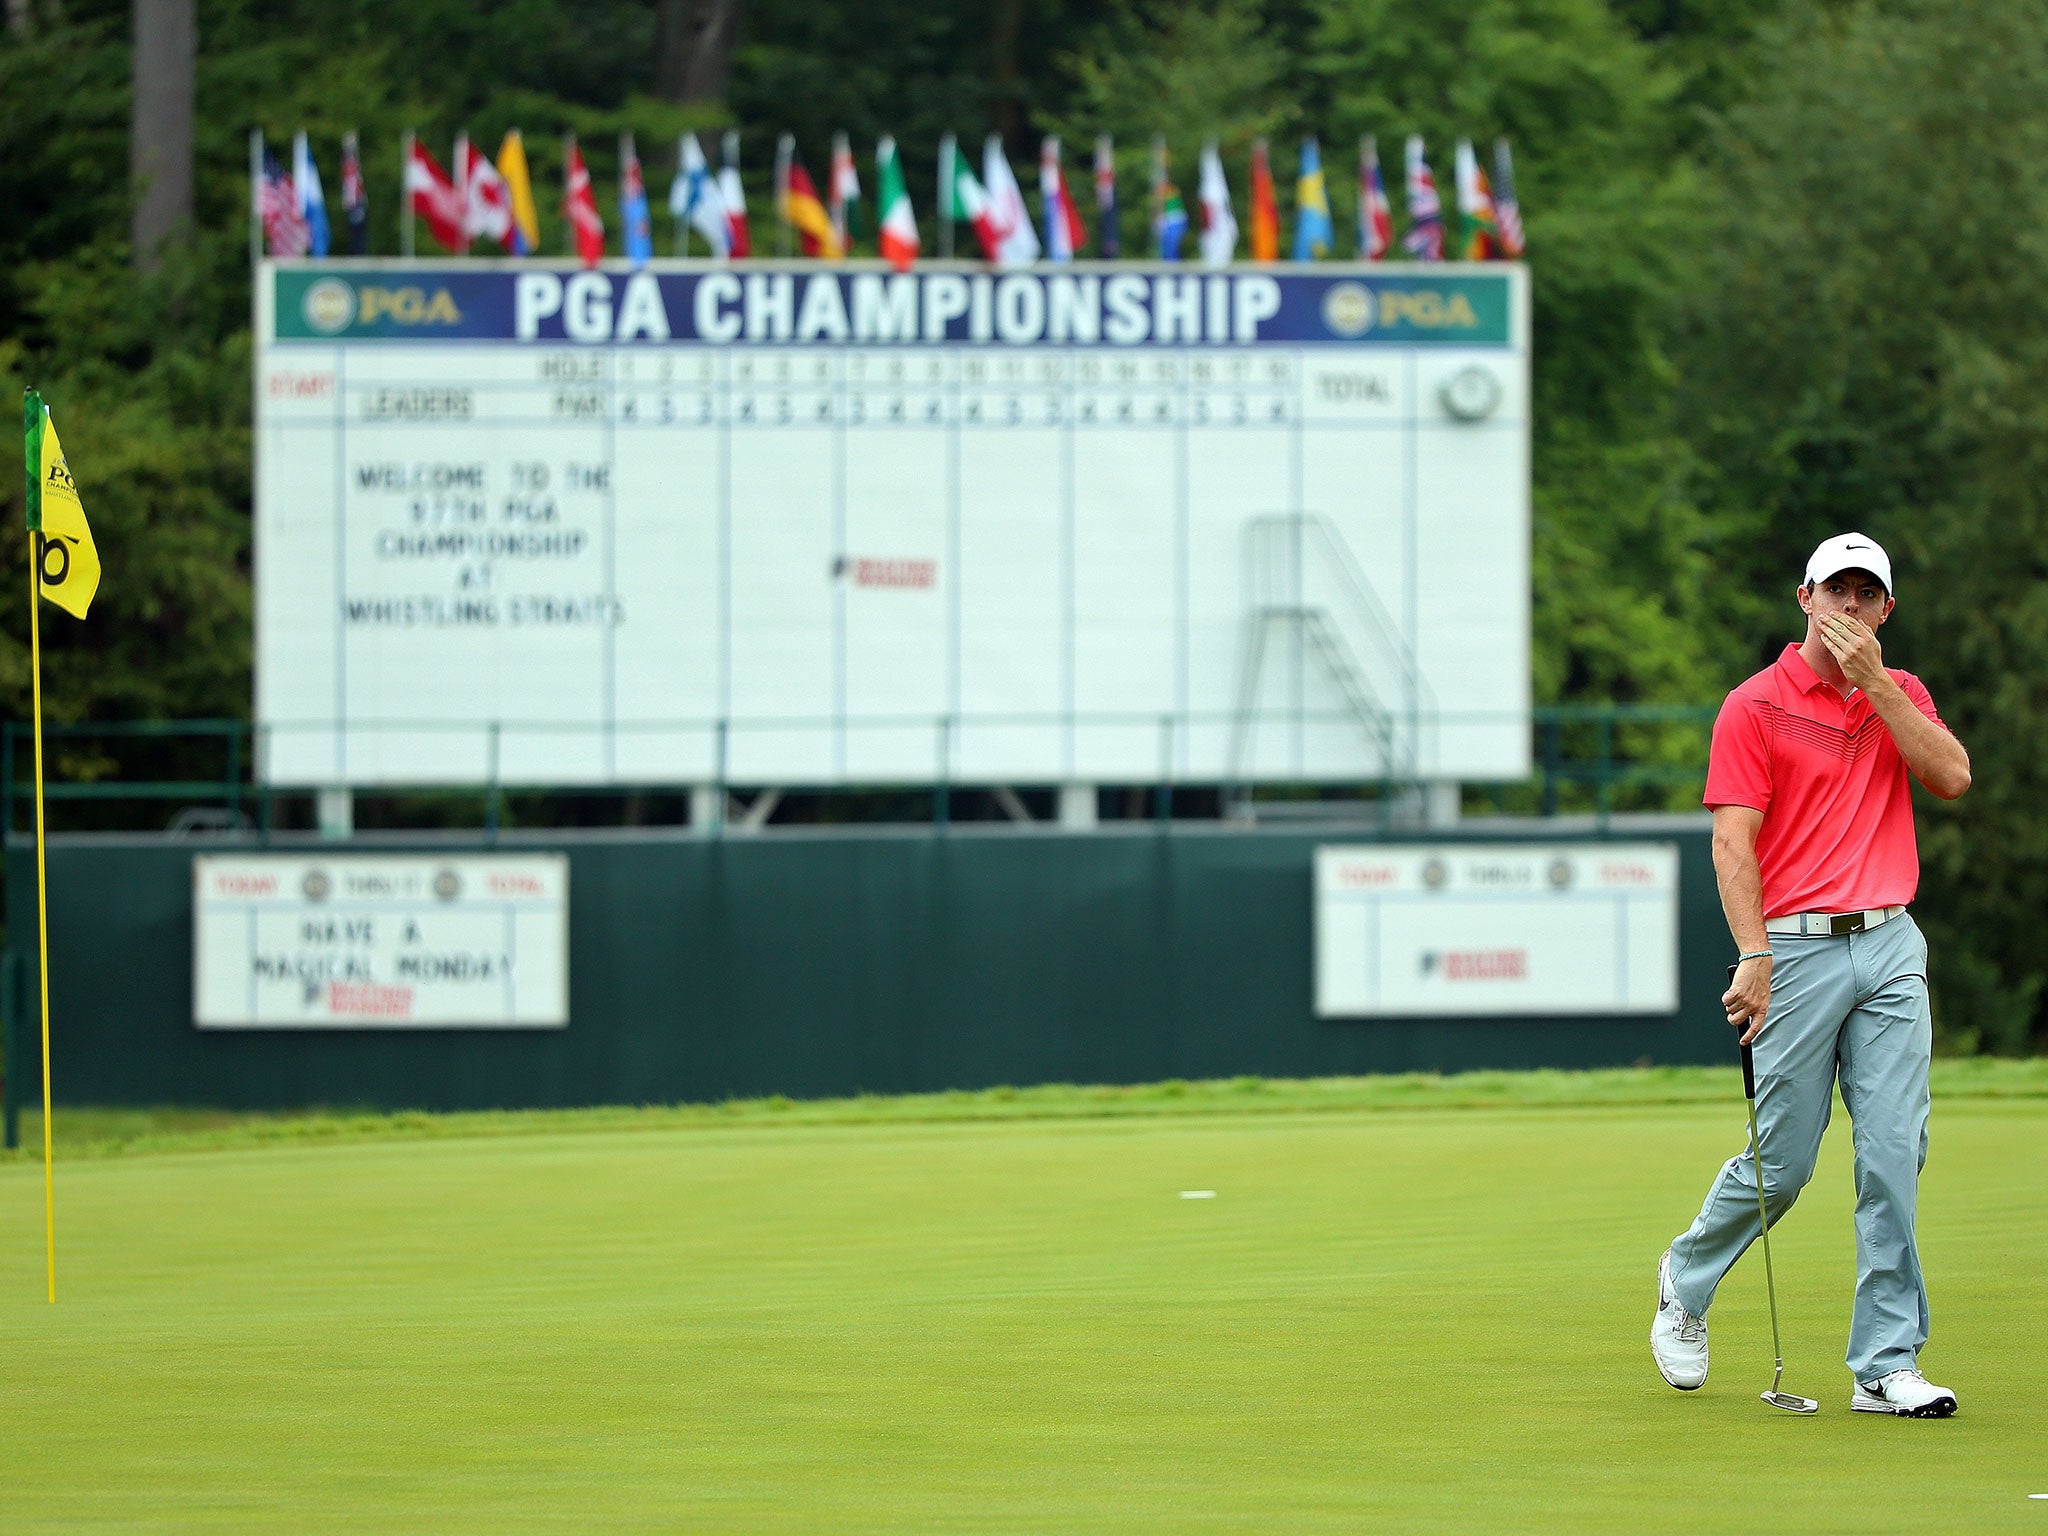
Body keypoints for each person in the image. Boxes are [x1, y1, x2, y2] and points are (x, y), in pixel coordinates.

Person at [1649, 533, 1971, 1417]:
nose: (1852, 609)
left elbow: (1949, 775)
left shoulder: (1899, 694)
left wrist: (1873, 683)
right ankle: (1688, 1272)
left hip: (1891, 940)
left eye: (1869, 595)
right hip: (1793, 948)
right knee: (1783, 1164)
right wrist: (1755, 954)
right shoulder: (1754, 704)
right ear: (1806, 599)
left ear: (1887, 611)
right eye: (1838, 592)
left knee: (1893, 1153)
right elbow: (1731, 840)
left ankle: (1885, 1362)